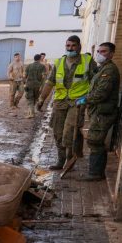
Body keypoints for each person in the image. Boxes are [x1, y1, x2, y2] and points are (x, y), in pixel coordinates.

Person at [37, 35, 96, 170]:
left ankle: (70, 159)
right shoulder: (59, 62)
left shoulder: (87, 61)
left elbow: (95, 82)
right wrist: (41, 99)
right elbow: (50, 83)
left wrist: (88, 99)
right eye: (68, 46)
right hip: (60, 101)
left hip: (77, 102)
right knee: (57, 132)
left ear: (79, 46)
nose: (70, 48)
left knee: (69, 131)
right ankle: (61, 159)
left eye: (73, 46)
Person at [80, 42, 120, 180]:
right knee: (96, 141)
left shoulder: (109, 70)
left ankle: (95, 173)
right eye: (98, 51)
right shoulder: (102, 68)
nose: (99, 54)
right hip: (98, 111)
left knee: (94, 140)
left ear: (111, 54)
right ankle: (97, 172)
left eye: (103, 51)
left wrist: (85, 99)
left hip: (103, 113)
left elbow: (101, 93)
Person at [24, 54, 46, 118]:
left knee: (30, 99)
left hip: (29, 84)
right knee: (35, 99)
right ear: (40, 59)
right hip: (38, 85)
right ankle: (31, 112)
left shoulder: (29, 66)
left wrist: (25, 84)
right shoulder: (42, 66)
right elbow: (43, 77)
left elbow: (25, 76)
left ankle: (31, 113)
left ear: (34, 59)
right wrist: (42, 86)